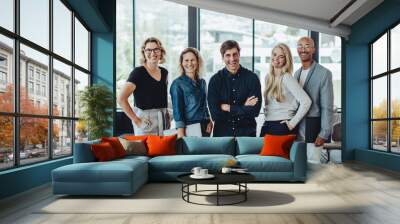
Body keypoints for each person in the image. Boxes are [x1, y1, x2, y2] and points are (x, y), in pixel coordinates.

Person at [208, 40, 262, 137]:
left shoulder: (252, 78)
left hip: (247, 135)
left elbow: (255, 111)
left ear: (239, 55)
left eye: (235, 54)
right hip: (222, 136)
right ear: (222, 57)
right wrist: (244, 107)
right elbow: (215, 115)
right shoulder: (215, 80)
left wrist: (228, 108)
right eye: (228, 55)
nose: (232, 59)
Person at [118, 37, 170, 136]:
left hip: (163, 119)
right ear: (144, 52)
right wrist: (136, 120)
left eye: (156, 49)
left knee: (163, 150)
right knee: (145, 150)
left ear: (161, 52)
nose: (153, 53)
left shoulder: (164, 72)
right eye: (148, 50)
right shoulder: (138, 72)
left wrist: (166, 116)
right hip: (146, 120)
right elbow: (121, 99)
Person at [294, 37, 334, 163]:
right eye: (300, 46)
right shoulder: (296, 74)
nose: (303, 49)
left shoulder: (324, 73)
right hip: (297, 129)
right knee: (299, 165)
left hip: (314, 128)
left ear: (313, 50)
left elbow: (327, 106)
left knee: (313, 165)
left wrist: (324, 133)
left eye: (307, 46)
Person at [261, 43, 311, 136]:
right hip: (268, 124)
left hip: (281, 125)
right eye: (274, 54)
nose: (276, 58)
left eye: (281, 57)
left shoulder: (287, 77)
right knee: (260, 150)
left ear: (286, 60)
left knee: (272, 151)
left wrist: (292, 124)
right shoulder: (268, 77)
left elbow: (306, 101)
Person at [170, 47, 213, 138]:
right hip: (189, 128)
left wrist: (209, 120)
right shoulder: (177, 84)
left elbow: (205, 105)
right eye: (186, 60)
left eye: (192, 60)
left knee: (205, 152)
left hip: (205, 128)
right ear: (182, 63)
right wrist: (181, 133)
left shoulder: (202, 82)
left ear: (197, 62)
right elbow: (177, 111)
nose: (189, 63)